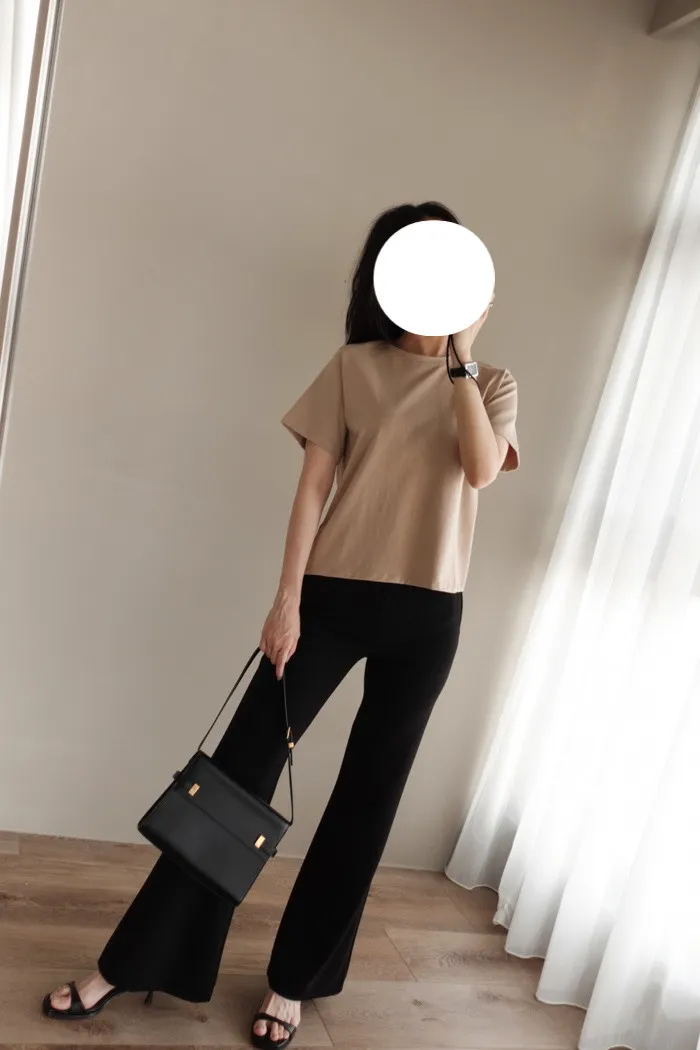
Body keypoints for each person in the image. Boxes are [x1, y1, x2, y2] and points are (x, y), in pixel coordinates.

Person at [42, 201, 519, 1048]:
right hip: (329, 596)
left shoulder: (489, 384)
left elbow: (480, 471)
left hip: (428, 614)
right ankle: (133, 961)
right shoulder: (354, 366)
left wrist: (460, 364)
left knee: (368, 799)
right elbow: (312, 490)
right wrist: (287, 599)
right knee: (237, 775)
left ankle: (295, 982)